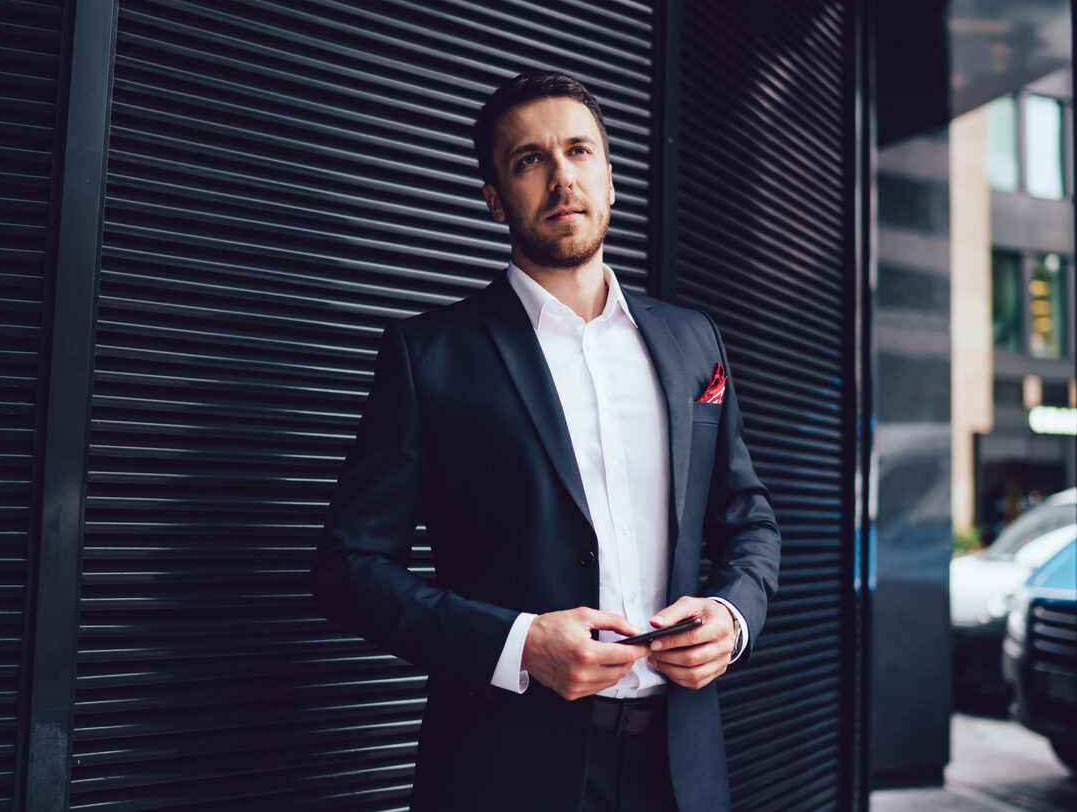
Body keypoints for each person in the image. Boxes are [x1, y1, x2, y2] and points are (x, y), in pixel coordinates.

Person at [312, 70, 780, 812]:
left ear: (610, 176)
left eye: (579, 151)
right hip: (502, 770)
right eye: (529, 160)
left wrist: (732, 616)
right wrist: (516, 644)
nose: (562, 176)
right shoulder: (427, 354)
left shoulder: (693, 340)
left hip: (682, 771)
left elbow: (746, 516)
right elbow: (347, 565)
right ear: (495, 197)